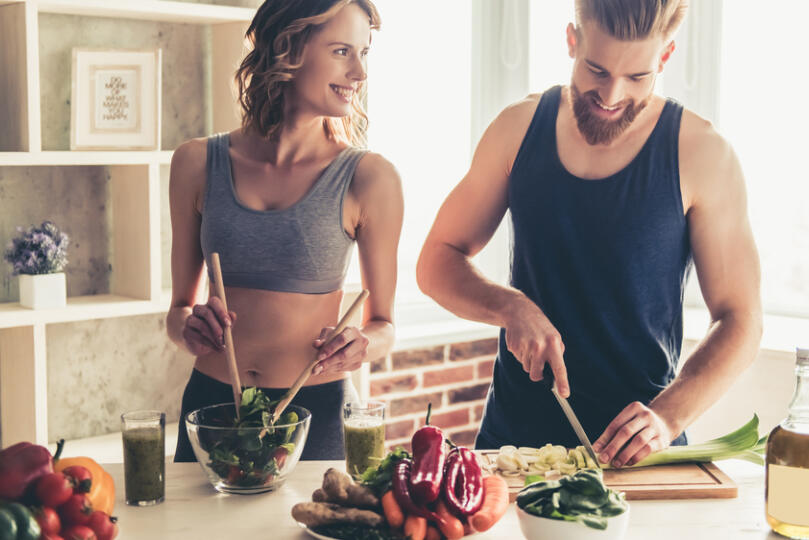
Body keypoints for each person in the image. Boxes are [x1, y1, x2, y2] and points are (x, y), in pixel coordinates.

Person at [416, 0, 762, 468]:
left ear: (664, 58)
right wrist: (510, 306)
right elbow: (437, 259)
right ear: (571, 41)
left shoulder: (704, 153)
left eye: (637, 77)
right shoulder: (516, 128)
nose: (612, 95)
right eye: (596, 70)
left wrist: (667, 418)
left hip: (637, 456)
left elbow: (740, 320)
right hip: (514, 448)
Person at [167, 0, 403, 461]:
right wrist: (188, 327)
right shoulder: (195, 163)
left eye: (364, 53)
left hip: (315, 412)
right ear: (287, 48)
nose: (359, 72)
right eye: (341, 51)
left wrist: (362, 344)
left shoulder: (370, 178)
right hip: (212, 407)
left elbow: (385, 324)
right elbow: (177, 312)